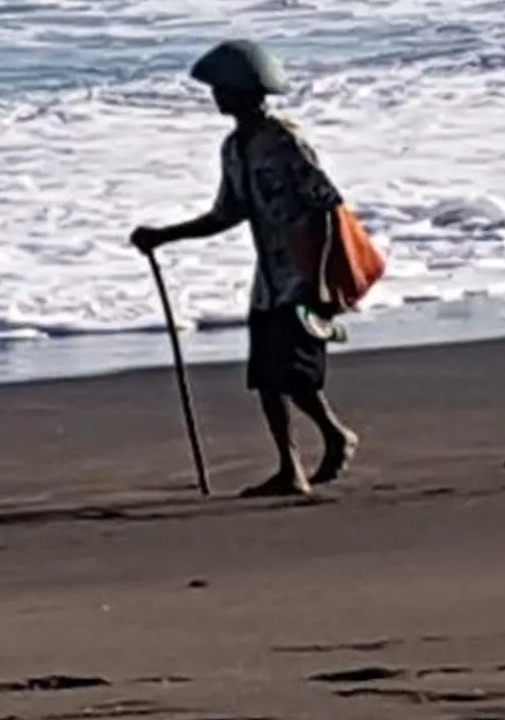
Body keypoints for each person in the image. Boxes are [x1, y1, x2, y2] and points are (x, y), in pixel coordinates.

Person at [131, 37, 361, 498]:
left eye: (223, 89)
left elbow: (326, 206)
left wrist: (317, 281)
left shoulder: (286, 141)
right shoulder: (235, 147)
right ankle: (298, 462)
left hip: (301, 274)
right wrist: (162, 235)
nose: (217, 97)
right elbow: (226, 213)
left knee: (292, 372)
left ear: (244, 92)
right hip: (269, 280)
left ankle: (320, 449)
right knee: (268, 376)